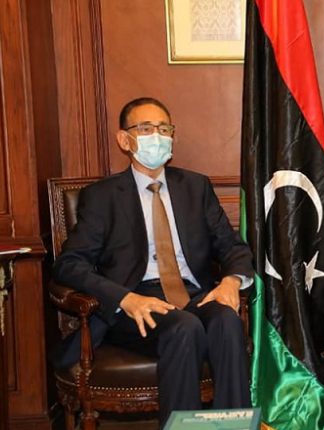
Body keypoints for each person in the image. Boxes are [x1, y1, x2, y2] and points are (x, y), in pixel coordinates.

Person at [53, 97, 254, 426]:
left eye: (164, 129)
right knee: (185, 327)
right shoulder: (102, 196)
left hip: (192, 294)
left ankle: (233, 426)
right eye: (145, 129)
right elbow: (69, 264)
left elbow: (232, 246)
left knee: (227, 321)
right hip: (136, 302)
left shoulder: (195, 187)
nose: (157, 137)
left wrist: (231, 282)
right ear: (124, 139)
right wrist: (124, 299)